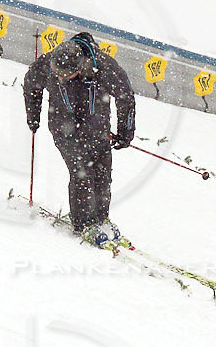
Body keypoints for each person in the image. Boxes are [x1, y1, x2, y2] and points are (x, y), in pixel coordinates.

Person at [21, 32, 137, 243]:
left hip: (97, 130)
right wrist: (33, 116)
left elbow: (125, 96)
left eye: (65, 75)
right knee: (82, 171)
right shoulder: (50, 62)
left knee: (102, 173)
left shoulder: (104, 67)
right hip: (64, 128)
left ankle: (100, 218)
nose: (60, 78)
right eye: (57, 73)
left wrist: (125, 132)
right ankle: (82, 223)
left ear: (79, 66)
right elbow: (31, 84)